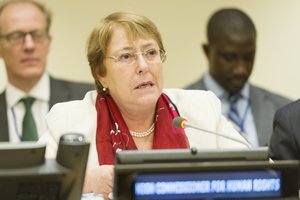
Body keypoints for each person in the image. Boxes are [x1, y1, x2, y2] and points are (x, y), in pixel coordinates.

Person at [40, 11, 249, 197]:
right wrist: (88, 182)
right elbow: (34, 187)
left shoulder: (202, 109)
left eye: (150, 53)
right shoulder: (69, 120)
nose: (143, 66)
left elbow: (260, 172)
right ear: (100, 73)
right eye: (126, 56)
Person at [185, 8, 291, 147]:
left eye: (248, 57)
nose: (240, 69)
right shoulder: (179, 109)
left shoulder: (283, 110)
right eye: (229, 58)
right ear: (207, 51)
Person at [0, 0, 94, 142]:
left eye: (37, 35)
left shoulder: (90, 100)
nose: (29, 46)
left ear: (48, 42)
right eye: (16, 36)